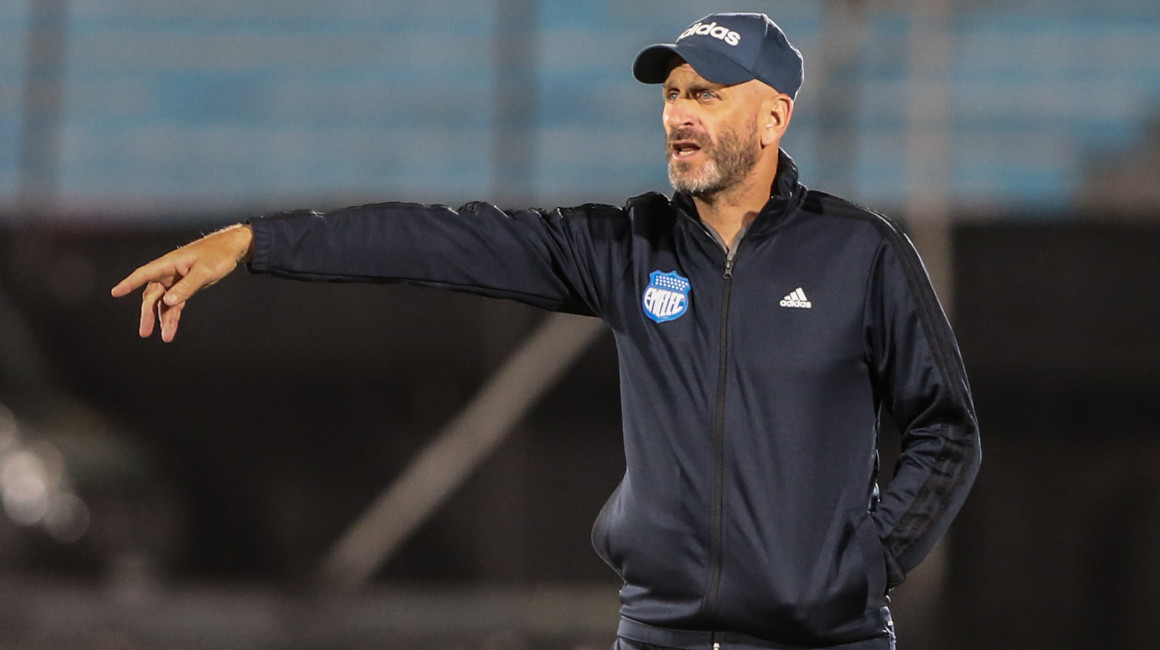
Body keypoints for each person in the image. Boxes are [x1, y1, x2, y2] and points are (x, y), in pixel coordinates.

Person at [112, 12, 980, 650]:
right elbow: (439, 240)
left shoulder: (859, 254)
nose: (679, 114)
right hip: (660, 636)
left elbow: (947, 430)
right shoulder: (626, 247)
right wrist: (252, 243)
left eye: (707, 95)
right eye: (673, 94)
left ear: (773, 117)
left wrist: (863, 565)